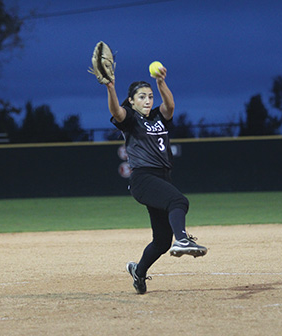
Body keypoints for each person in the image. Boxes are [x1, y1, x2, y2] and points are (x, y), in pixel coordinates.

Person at [104, 64, 207, 294]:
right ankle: (183, 239)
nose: (148, 100)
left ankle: (138, 272)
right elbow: (116, 112)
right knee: (179, 201)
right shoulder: (130, 118)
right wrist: (111, 88)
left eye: (150, 96)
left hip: (162, 178)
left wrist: (161, 82)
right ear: (131, 101)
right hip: (143, 178)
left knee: (161, 242)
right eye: (142, 97)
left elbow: (170, 106)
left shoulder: (160, 116)